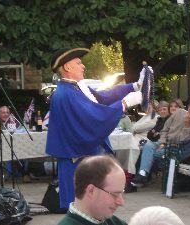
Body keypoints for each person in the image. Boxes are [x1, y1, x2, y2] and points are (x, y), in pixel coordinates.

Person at [46, 47, 144, 209]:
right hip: (77, 161)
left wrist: (134, 86)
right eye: (78, 63)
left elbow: (103, 97)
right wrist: (125, 103)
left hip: (84, 159)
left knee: (92, 209)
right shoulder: (66, 93)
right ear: (67, 68)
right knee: (83, 209)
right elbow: (93, 118)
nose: (83, 66)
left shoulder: (75, 88)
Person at [132, 101, 190, 186]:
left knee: (150, 152)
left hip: (175, 148)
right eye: (189, 110)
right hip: (165, 142)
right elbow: (165, 129)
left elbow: (182, 141)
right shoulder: (179, 112)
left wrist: (186, 127)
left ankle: (142, 176)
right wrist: (162, 143)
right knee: (148, 145)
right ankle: (143, 174)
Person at [57, 155, 127, 225]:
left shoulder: (115, 222)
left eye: (121, 193)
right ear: (91, 191)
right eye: (115, 195)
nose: (121, 202)